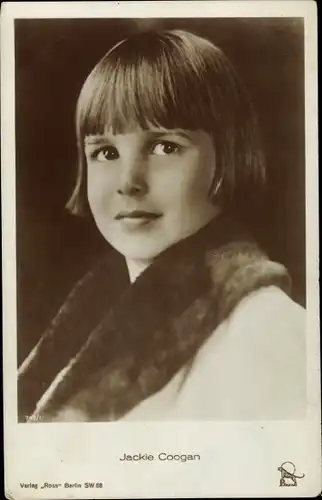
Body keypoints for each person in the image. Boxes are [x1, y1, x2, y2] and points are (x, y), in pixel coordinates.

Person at [18, 29, 306, 422]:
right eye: (105, 152)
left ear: (229, 153)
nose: (127, 181)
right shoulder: (95, 323)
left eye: (165, 147)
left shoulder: (267, 333)